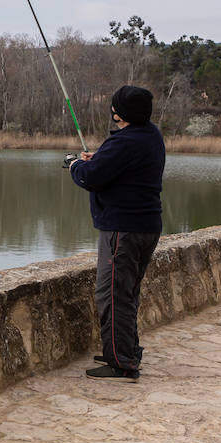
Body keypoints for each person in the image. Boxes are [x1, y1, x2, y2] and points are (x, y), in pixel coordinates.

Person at [67, 85, 165, 382]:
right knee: (128, 292)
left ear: (117, 112)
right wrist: (98, 158)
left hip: (123, 229)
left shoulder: (124, 142)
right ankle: (125, 349)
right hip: (147, 226)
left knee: (112, 295)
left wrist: (75, 165)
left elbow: (91, 178)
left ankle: (121, 362)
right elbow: (119, 166)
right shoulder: (150, 135)